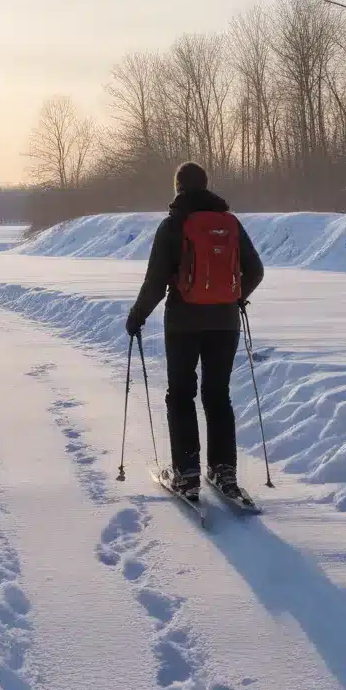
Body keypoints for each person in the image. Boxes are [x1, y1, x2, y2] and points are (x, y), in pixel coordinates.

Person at [125, 162, 264, 502]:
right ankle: (223, 470)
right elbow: (256, 270)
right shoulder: (230, 224)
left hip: (184, 323)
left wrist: (137, 315)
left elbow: (156, 281)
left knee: (182, 394)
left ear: (178, 189)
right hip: (225, 323)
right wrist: (235, 297)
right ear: (206, 186)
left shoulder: (173, 226)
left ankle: (187, 475)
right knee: (218, 395)